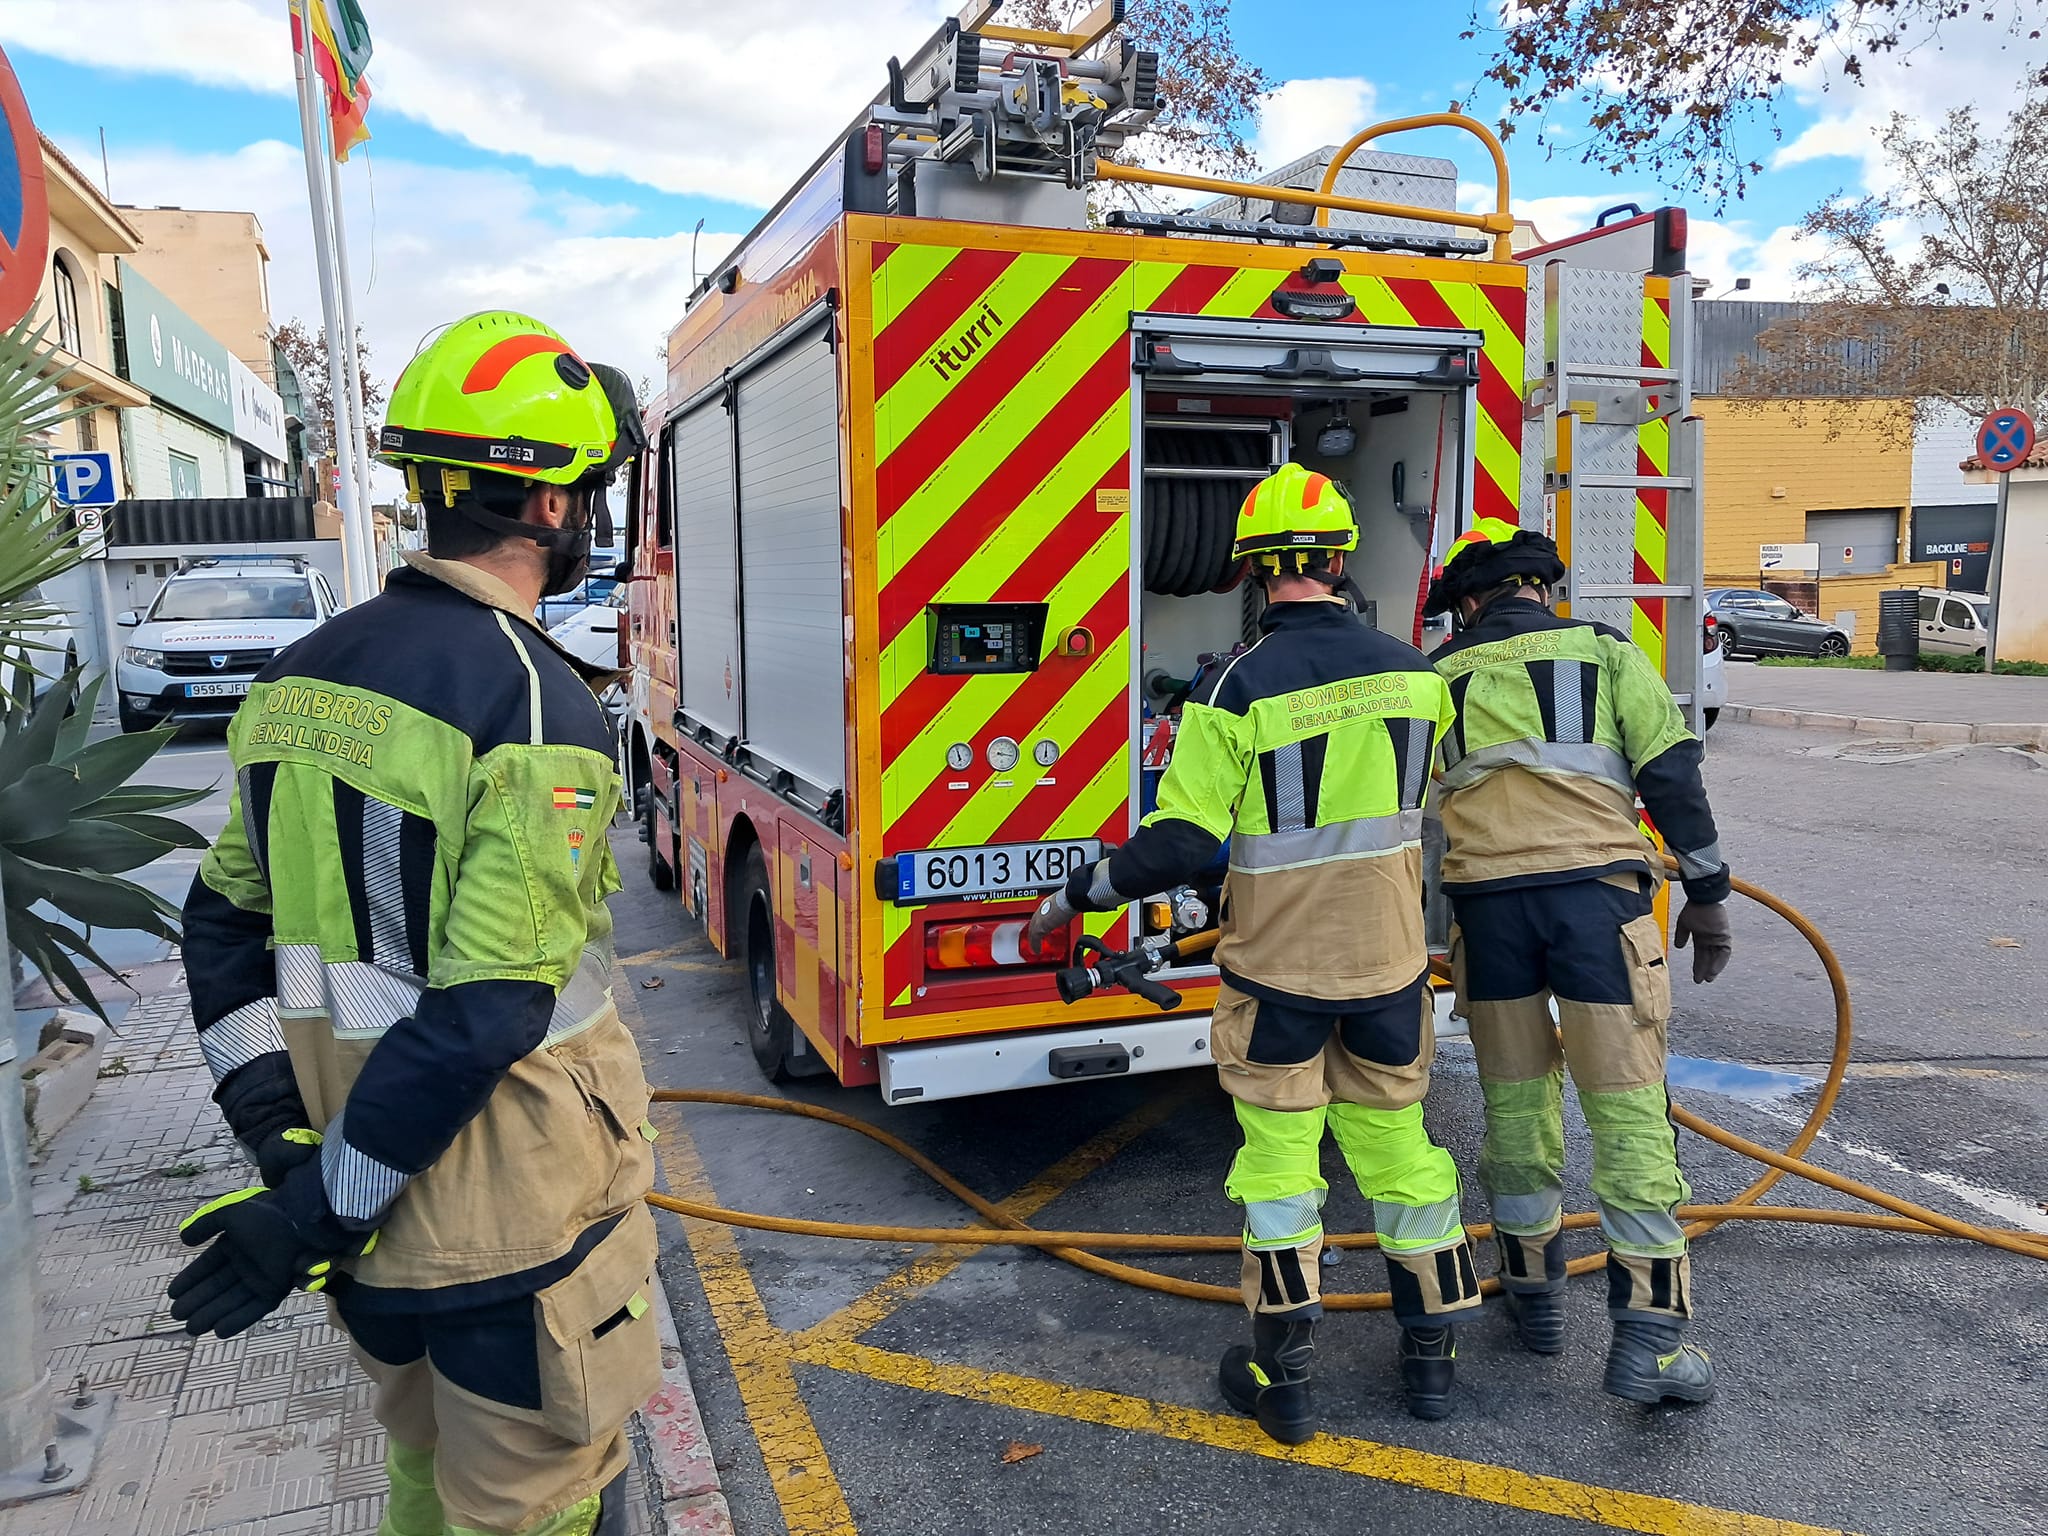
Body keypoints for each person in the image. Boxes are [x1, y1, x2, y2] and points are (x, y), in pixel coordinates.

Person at [171, 311, 656, 1536]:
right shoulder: (534, 702)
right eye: (589, 488)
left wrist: (287, 1154)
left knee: (419, 1479)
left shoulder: (298, 679)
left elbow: (221, 932)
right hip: (502, 1228)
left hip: (360, 1219)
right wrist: (313, 1205)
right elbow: (487, 1010)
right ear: (550, 509)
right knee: (530, 1508)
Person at [1028, 463, 1482, 1441]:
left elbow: (1186, 841)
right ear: (1338, 561)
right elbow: (1427, 798)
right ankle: (1432, 1361)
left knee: (1279, 1172)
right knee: (1404, 1158)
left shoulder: (1237, 686)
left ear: (1250, 571)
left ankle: (1283, 1379)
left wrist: (1078, 894)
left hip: (1277, 977)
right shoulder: (1415, 674)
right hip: (1388, 972)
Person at [1423, 517, 1732, 1406]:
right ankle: (1652, 1343)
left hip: (1487, 915)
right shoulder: (1604, 654)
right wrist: (1708, 898)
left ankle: (1534, 1299)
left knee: (1515, 1111)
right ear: (1541, 588)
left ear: (1470, 602)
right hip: (1598, 909)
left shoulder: (1440, 677)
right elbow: (1672, 775)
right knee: (1630, 1113)